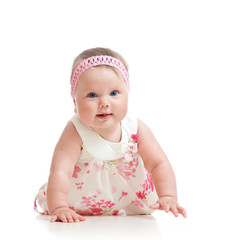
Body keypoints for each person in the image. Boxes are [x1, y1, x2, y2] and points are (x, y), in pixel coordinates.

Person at [34, 47, 187, 223]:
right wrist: (59, 206)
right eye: (92, 95)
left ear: (127, 94)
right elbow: (60, 171)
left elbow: (158, 163)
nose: (104, 103)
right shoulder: (75, 131)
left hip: (130, 204)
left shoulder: (135, 128)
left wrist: (168, 195)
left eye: (114, 93)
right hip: (78, 205)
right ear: (75, 102)